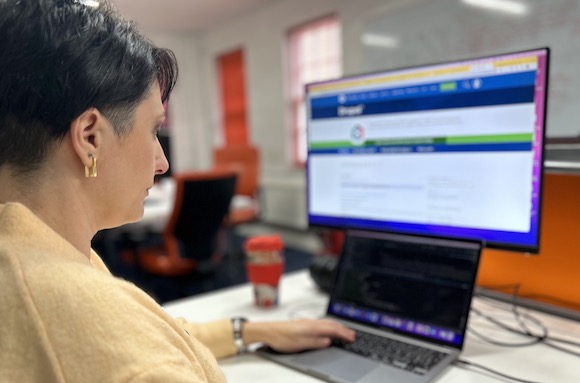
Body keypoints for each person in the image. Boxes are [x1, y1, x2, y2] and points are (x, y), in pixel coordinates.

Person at [0, 0, 355, 381]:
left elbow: (142, 331)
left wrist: (250, 330)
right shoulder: (77, 309)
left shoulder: (36, 254)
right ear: (90, 137)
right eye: (154, 130)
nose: (162, 162)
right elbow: (128, 344)